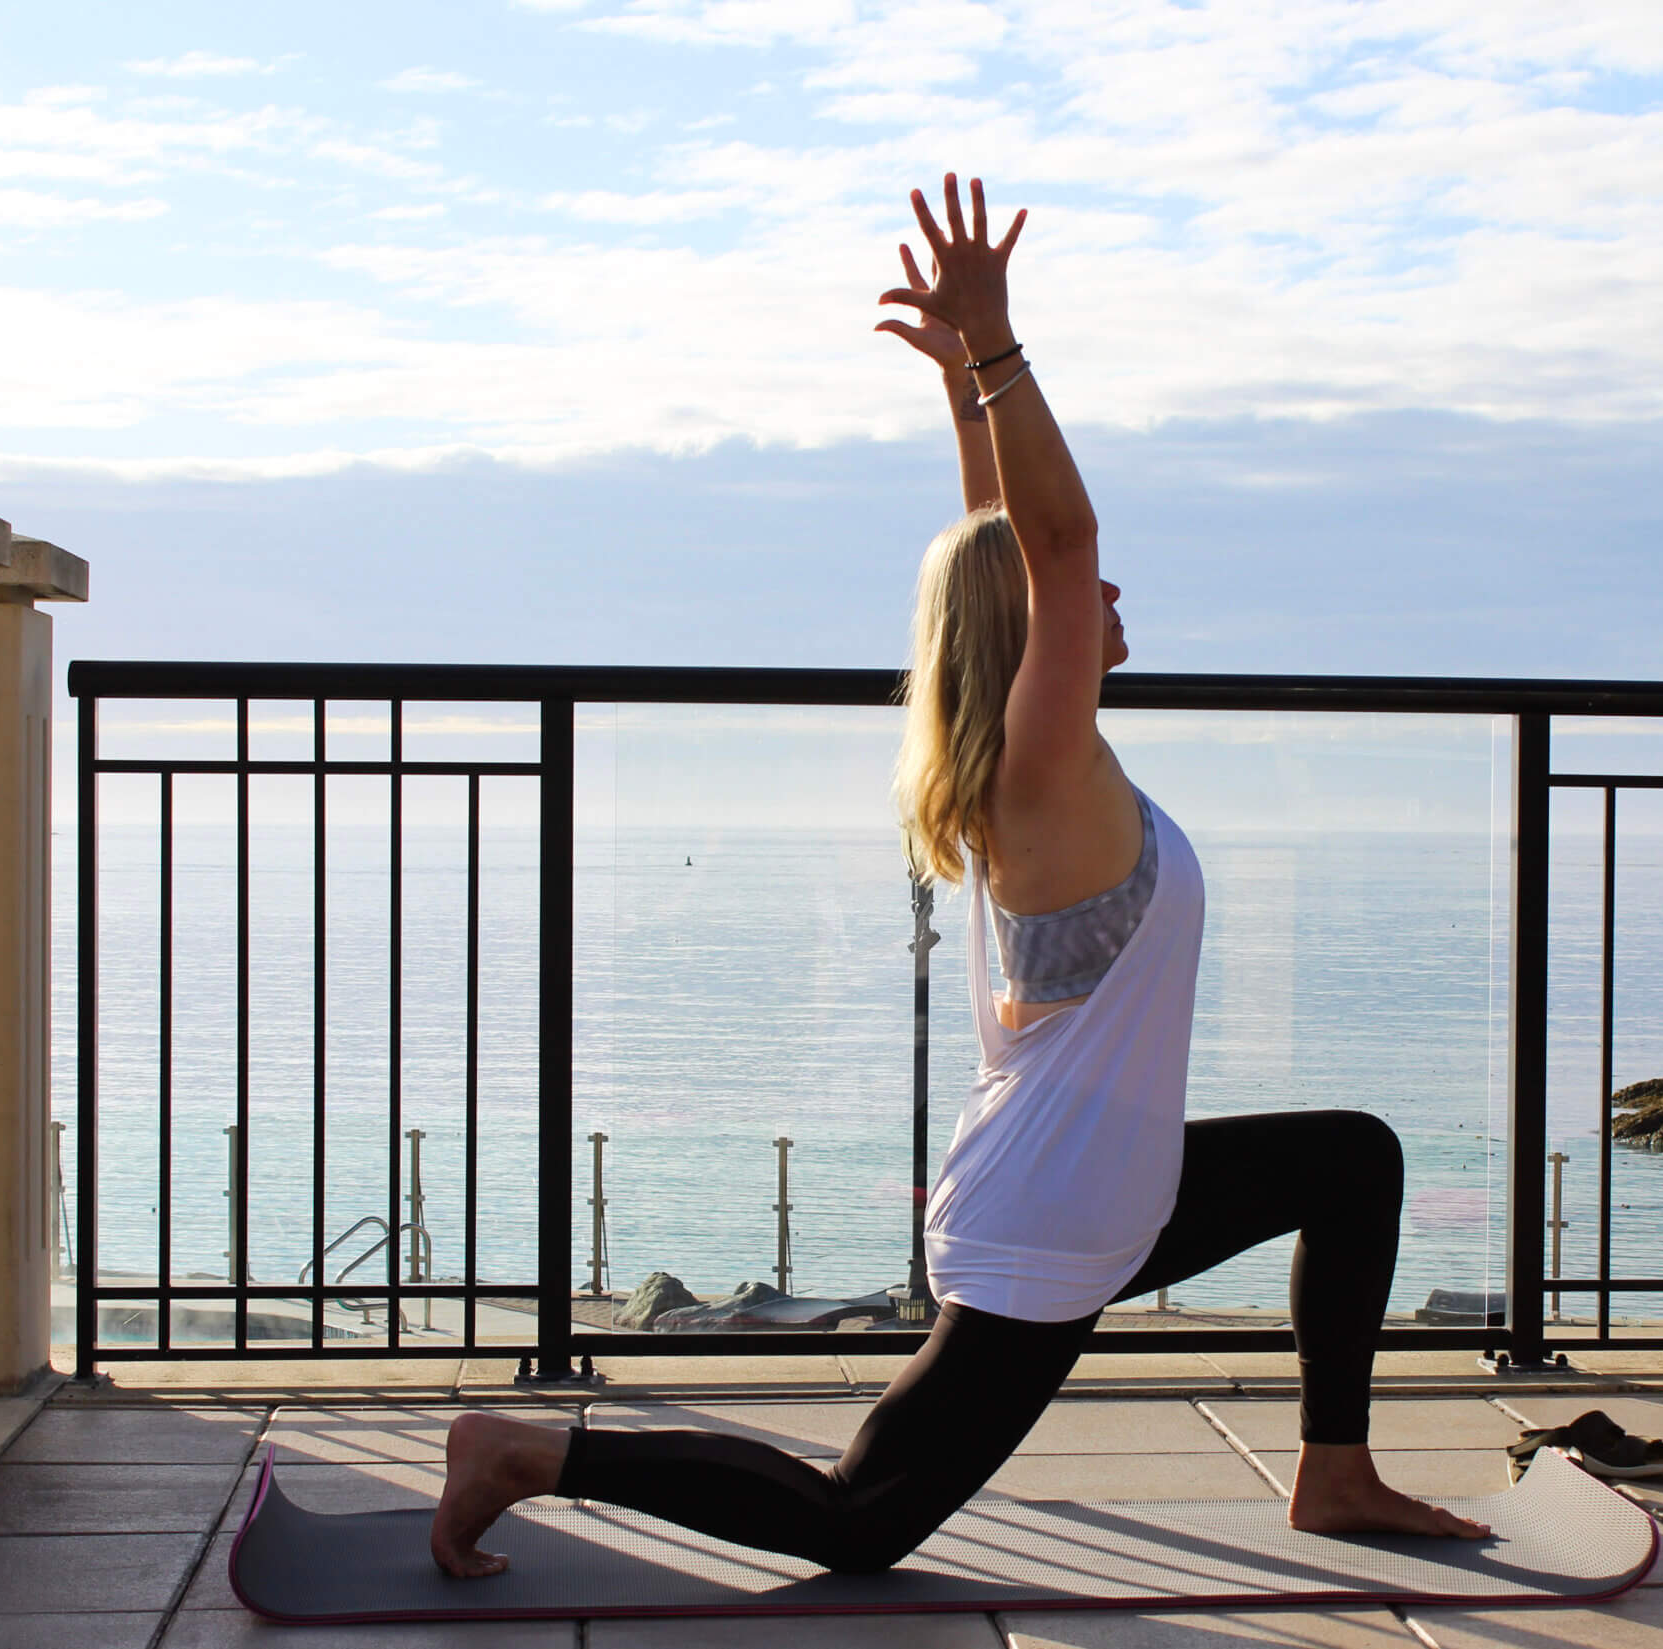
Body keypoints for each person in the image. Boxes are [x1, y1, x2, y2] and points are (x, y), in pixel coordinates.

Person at [428, 175, 1487, 1580]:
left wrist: (963, 401)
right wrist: (1000, 348)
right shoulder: (1045, 776)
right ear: (1035, 630)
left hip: (1114, 1177)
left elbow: (1006, 539)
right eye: (1081, 603)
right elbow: (1052, 544)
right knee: (862, 1517)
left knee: (1352, 1156)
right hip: (1057, 1208)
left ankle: (1335, 1473)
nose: (1110, 603)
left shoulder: (1031, 762)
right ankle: (532, 1454)